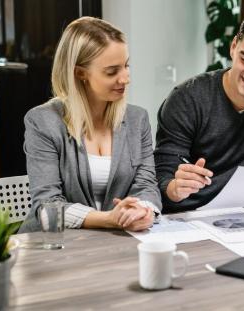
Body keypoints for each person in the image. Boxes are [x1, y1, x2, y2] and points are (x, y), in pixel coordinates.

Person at [154, 5, 244, 212]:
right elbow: (163, 172)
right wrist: (175, 188)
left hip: (243, 214)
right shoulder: (187, 98)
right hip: (185, 215)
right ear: (233, 47)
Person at [19, 17, 161, 233]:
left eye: (126, 66)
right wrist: (109, 219)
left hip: (113, 242)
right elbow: (47, 207)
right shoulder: (42, 122)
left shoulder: (137, 119)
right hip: (54, 245)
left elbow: (147, 185)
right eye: (112, 71)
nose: (125, 79)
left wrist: (142, 211)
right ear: (80, 73)